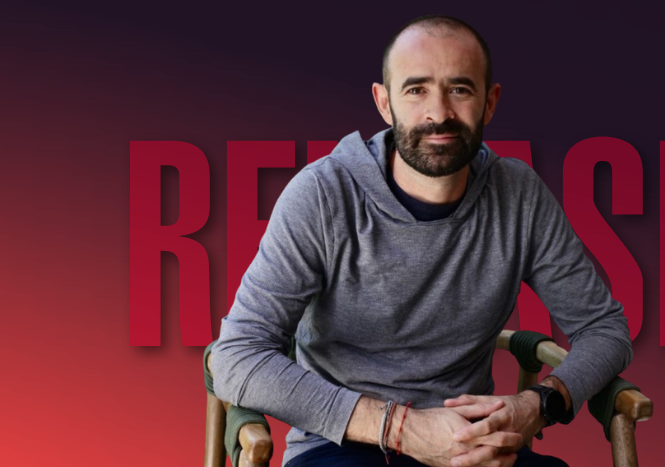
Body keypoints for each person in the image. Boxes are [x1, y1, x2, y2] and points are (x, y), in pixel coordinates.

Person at [211, 15, 633, 467]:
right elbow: (236, 355)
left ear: (490, 102)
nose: (439, 113)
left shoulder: (519, 195)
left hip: (474, 445)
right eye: (416, 90)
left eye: (460, 89)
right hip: (342, 446)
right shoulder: (322, 195)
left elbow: (605, 329)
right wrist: (402, 428)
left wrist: (540, 403)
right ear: (384, 102)